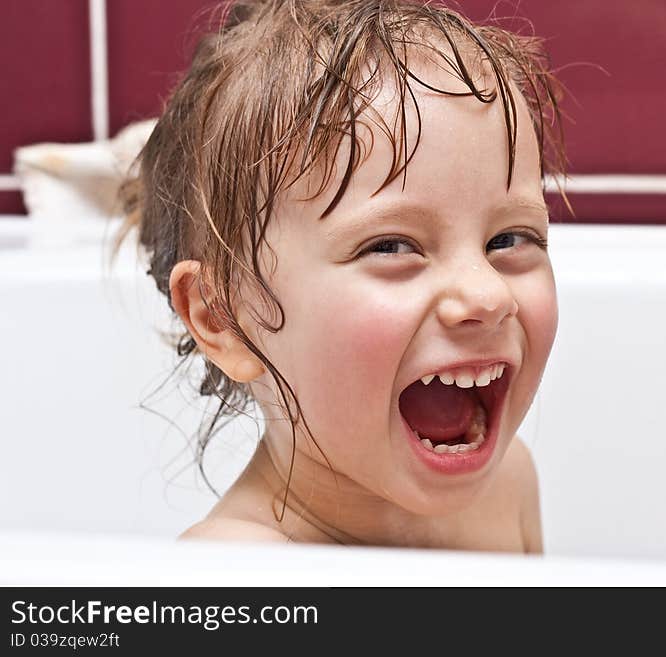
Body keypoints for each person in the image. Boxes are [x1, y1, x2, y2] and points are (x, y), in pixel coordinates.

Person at [117, 0, 568, 552]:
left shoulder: (507, 488)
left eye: (509, 239)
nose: (487, 294)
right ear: (226, 319)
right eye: (391, 245)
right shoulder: (235, 573)